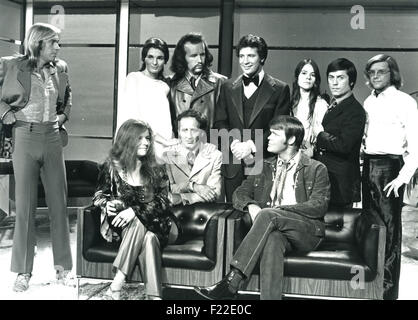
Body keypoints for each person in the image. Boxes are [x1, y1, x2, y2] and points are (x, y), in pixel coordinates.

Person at [194, 116, 330, 300]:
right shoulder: (262, 165)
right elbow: (239, 194)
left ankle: (232, 281)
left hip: (306, 232)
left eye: (274, 134)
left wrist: (276, 212)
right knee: (273, 239)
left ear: (290, 140)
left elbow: (318, 206)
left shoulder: (316, 168)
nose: (268, 137)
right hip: (274, 229)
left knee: (270, 216)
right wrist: (250, 205)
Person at [0, 23, 73, 292]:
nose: (57, 47)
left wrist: (61, 117)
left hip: (52, 138)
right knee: (25, 208)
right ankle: (23, 271)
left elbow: (68, 98)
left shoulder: (61, 68)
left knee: (59, 205)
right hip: (24, 137)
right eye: (53, 42)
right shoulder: (11, 65)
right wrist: (6, 114)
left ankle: (63, 268)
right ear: (38, 43)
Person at [93, 119, 179, 300]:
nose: (146, 142)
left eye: (147, 138)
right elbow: (99, 195)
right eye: (140, 138)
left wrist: (134, 211)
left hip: (163, 225)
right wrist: (106, 203)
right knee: (148, 238)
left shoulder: (157, 168)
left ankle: (117, 282)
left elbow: (164, 202)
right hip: (127, 231)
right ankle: (155, 297)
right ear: (127, 139)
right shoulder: (111, 167)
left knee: (140, 221)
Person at [362, 54, 418, 300]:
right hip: (368, 167)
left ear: (392, 73)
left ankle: (387, 294)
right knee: (370, 229)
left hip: (390, 169)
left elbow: (416, 145)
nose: (375, 76)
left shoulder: (405, 102)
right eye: (372, 73)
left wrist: (402, 177)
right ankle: (370, 290)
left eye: (381, 72)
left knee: (389, 232)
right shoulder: (368, 102)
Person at [214, 34, 290, 202]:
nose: (245, 61)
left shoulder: (280, 89)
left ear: (262, 58)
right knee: (233, 216)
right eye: (241, 56)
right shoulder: (227, 87)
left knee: (260, 217)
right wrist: (234, 143)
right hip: (233, 163)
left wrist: (250, 145)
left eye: (251, 56)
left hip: (263, 163)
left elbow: (279, 128)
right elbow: (219, 122)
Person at [314, 58, 366, 208]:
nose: (334, 83)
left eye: (340, 78)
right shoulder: (333, 105)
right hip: (326, 178)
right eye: (331, 77)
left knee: (337, 229)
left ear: (351, 82)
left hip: (340, 184)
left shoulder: (355, 110)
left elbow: (344, 145)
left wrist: (319, 135)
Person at [117, 37, 176, 160]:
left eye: (159, 58)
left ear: (165, 61)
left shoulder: (165, 86)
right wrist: (163, 141)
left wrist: (169, 142)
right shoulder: (133, 78)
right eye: (150, 57)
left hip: (164, 147)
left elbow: (165, 120)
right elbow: (133, 119)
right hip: (142, 142)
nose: (154, 62)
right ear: (144, 58)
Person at [169, 32, 226, 134]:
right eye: (193, 56)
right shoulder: (171, 85)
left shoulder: (222, 83)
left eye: (202, 55)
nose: (199, 60)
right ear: (182, 58)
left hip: (211, 146)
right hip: (181, 147)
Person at [164, 110, 222, 205]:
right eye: (184, 130)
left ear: (202, 132)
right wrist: (194, 186)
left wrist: (180, 198)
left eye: (193, 130)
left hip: (205, 211)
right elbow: (169, 189)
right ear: (178, 132)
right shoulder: (169, 154)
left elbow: (214, 193)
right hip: (176, 212)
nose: (189, 136)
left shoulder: (215, 155)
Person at [290, 59, 328, 158]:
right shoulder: (289, 103)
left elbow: (322, 137)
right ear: (297, 76)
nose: (308, 77)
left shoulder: (321, 105)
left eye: (312, 75)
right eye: (304, 73)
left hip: (311, 156)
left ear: (316, 80)